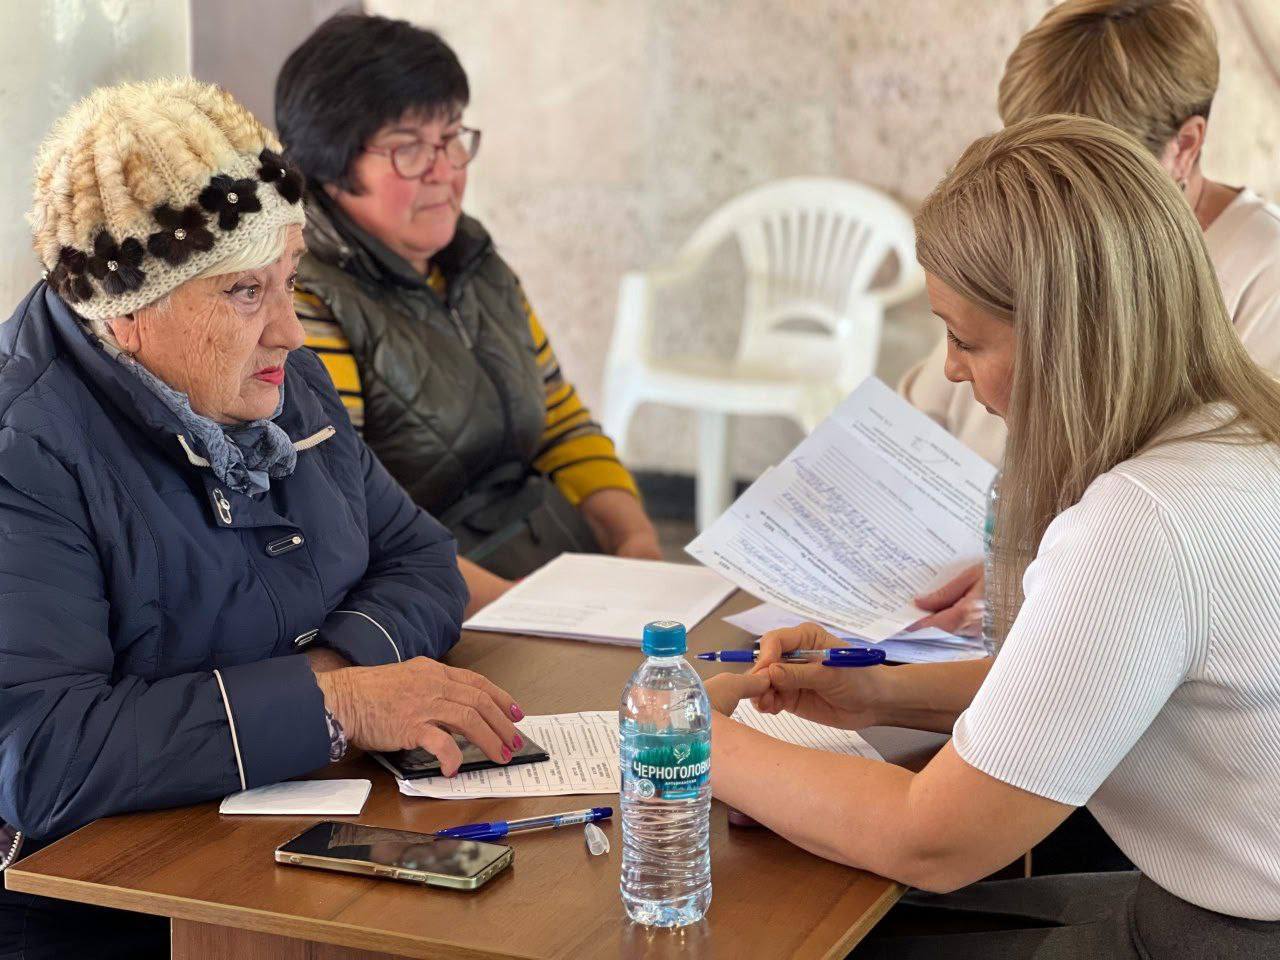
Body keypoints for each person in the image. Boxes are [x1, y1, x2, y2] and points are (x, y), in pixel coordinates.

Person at [705, 115, 1280, 959]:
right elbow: (1082, 680)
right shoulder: (1241, 431)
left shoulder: (1141, 523)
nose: (948, 369)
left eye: (966, 338)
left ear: (1066, 337)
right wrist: (876, 693)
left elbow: (931, 841)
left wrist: (680, 734)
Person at [0, 79, 527, 960]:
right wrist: (336, 705)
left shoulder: (276, 379)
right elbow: (44, 757)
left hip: (278, 831)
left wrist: (335, 680)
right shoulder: (25, 452)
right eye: (247, 292)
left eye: (289, 279)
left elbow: (421, 561)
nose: (289, 330)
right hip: (99, 904)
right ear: (128, 312)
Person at [906, 0, 1280, 640]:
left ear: (1183, 146)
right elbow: (923, 413)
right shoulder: (1021, 265)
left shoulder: (1259, 282)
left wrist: (1026, 578)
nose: (1038, 210)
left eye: (1077, 179)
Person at [275, 14, 661, 614]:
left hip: (556, 568)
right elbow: (347, 509)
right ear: (328, 166)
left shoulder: (474, 261)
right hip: (440, 605)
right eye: (408, 149)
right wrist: (523, 613)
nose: (446, 171)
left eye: (452, 137)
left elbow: (560, 422)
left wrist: (635, 545)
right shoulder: (304, 301)